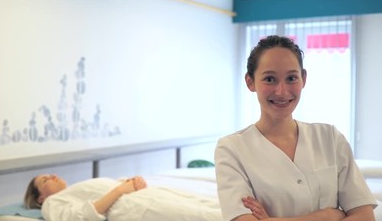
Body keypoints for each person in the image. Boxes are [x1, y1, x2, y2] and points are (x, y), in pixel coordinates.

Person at [214, 35, 377, 221]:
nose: (282, 91)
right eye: (269, 79)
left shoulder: (329, 138)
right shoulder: (231, 148)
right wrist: (328, 216)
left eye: (291, 78)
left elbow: (364, 216)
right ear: (250, 82)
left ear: (303, 79)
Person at [24, 173, 222, 221]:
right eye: (45, 180)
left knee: (216, 206)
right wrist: (120, 191)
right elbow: (82, 217)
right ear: (40, 197)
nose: (53, 176)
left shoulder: (75, 187)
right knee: (201, 215)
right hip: (135, 208)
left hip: (147, 194)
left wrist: (131, 181)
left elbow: (105, 189)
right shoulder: (51, 203)